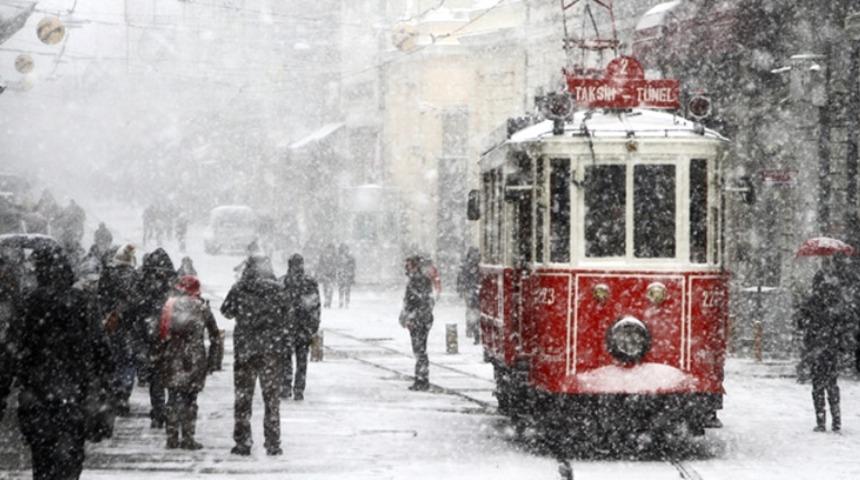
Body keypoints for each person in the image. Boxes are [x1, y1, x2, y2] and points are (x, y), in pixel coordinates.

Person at [1, 246, 115, 480]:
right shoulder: (84, 302)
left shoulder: (28, 303)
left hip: (37, 394)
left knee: (42, 459)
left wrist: (3, 388)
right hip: (74, 393)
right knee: (70, 456)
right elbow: (100, 347)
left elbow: (10, 351)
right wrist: (103, 378)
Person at [221, 255, 287, 456]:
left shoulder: (240, 288)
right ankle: (273, 442)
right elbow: (287, 315)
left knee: (243, 397)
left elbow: (226, 311)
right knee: (271, 398)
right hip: (270, 350)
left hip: (246, 349)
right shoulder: (278, 290)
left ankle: (243, 441)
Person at [157, 275, 219, 450]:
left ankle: (171, 437)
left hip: (173, 354)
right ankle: (188, 437)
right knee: (190, 399)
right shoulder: (203, 307)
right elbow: (215, 335)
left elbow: (160, 332)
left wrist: (158, 356)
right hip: (194, 357)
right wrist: (213, 361)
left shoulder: (170, 305)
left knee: (173, 397)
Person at [797, 257, 851, 432]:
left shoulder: (811, 301)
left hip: (816, 348)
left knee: (818, 386)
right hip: (831, 348)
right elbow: (843, 322)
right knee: (832, 384)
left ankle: (821, 421)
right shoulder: (836, 300)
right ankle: (837, 421)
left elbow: (800, 322)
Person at [135, 248, 177, 428]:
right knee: (172, 376)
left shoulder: (144, 283)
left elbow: (137, 308)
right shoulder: (172, 285)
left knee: (156, 377)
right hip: (171, 334)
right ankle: (170, 410)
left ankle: (158, 412)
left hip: (153, 335)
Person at [97, 243, 140, 415]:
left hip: (111, 325)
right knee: (128, 361)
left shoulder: (108, 275)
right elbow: (139, 303)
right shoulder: (136, 277)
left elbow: (101, 299)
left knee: (114, 359)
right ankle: (124, 393)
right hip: (130, 327)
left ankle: (114, 391)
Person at [281, 254, 321, 400]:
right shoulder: (309, 282)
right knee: (302, 360)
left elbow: (278, 306)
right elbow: (315, 305)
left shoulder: (283, 282)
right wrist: (314, 326)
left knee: (286, 358)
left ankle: (286, 386)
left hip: (287, 327)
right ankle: (299, 388)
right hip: (303, 327)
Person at [400, 255, 435, 391]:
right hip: (421, 319)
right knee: (419, 350)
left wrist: (413, 317)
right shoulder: (419, 280)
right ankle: (421, 378)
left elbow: (419, 302)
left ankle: (422, 379)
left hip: (419, 320)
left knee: (419, 350)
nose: (406, 269)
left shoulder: (417, 281)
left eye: (408, 265)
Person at [457, 247, 481, 345]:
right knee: (474, 311)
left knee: (471, 310)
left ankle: (471, 328)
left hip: (470, 290)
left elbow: (461, 277)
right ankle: (474, 330)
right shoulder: (476, 264)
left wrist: (460, 288)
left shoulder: (466, 264)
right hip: (474, 289)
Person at [316, 243, 337, 308]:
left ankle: (328, 301)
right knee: (325, 288)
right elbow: (320, 264)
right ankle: (326, 300)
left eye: (332, 249)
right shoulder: (323, 256)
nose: (331, 250)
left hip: (332, 274)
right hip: (325, 274)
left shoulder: (334, 256)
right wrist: (320, 272)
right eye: (329, 249)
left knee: (330, 288)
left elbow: (337, 265)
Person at [336, 244, 356, 309]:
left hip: (347, 275)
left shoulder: (350, 257)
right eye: (344, 249)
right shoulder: (339, 257)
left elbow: (353, 266)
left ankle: (346, 302)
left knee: (347, 289)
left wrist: (351, 273)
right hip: (341, 274)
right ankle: (341, 301)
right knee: (341, 289)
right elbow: (336, 265)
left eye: (346, 249)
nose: (345, 251)